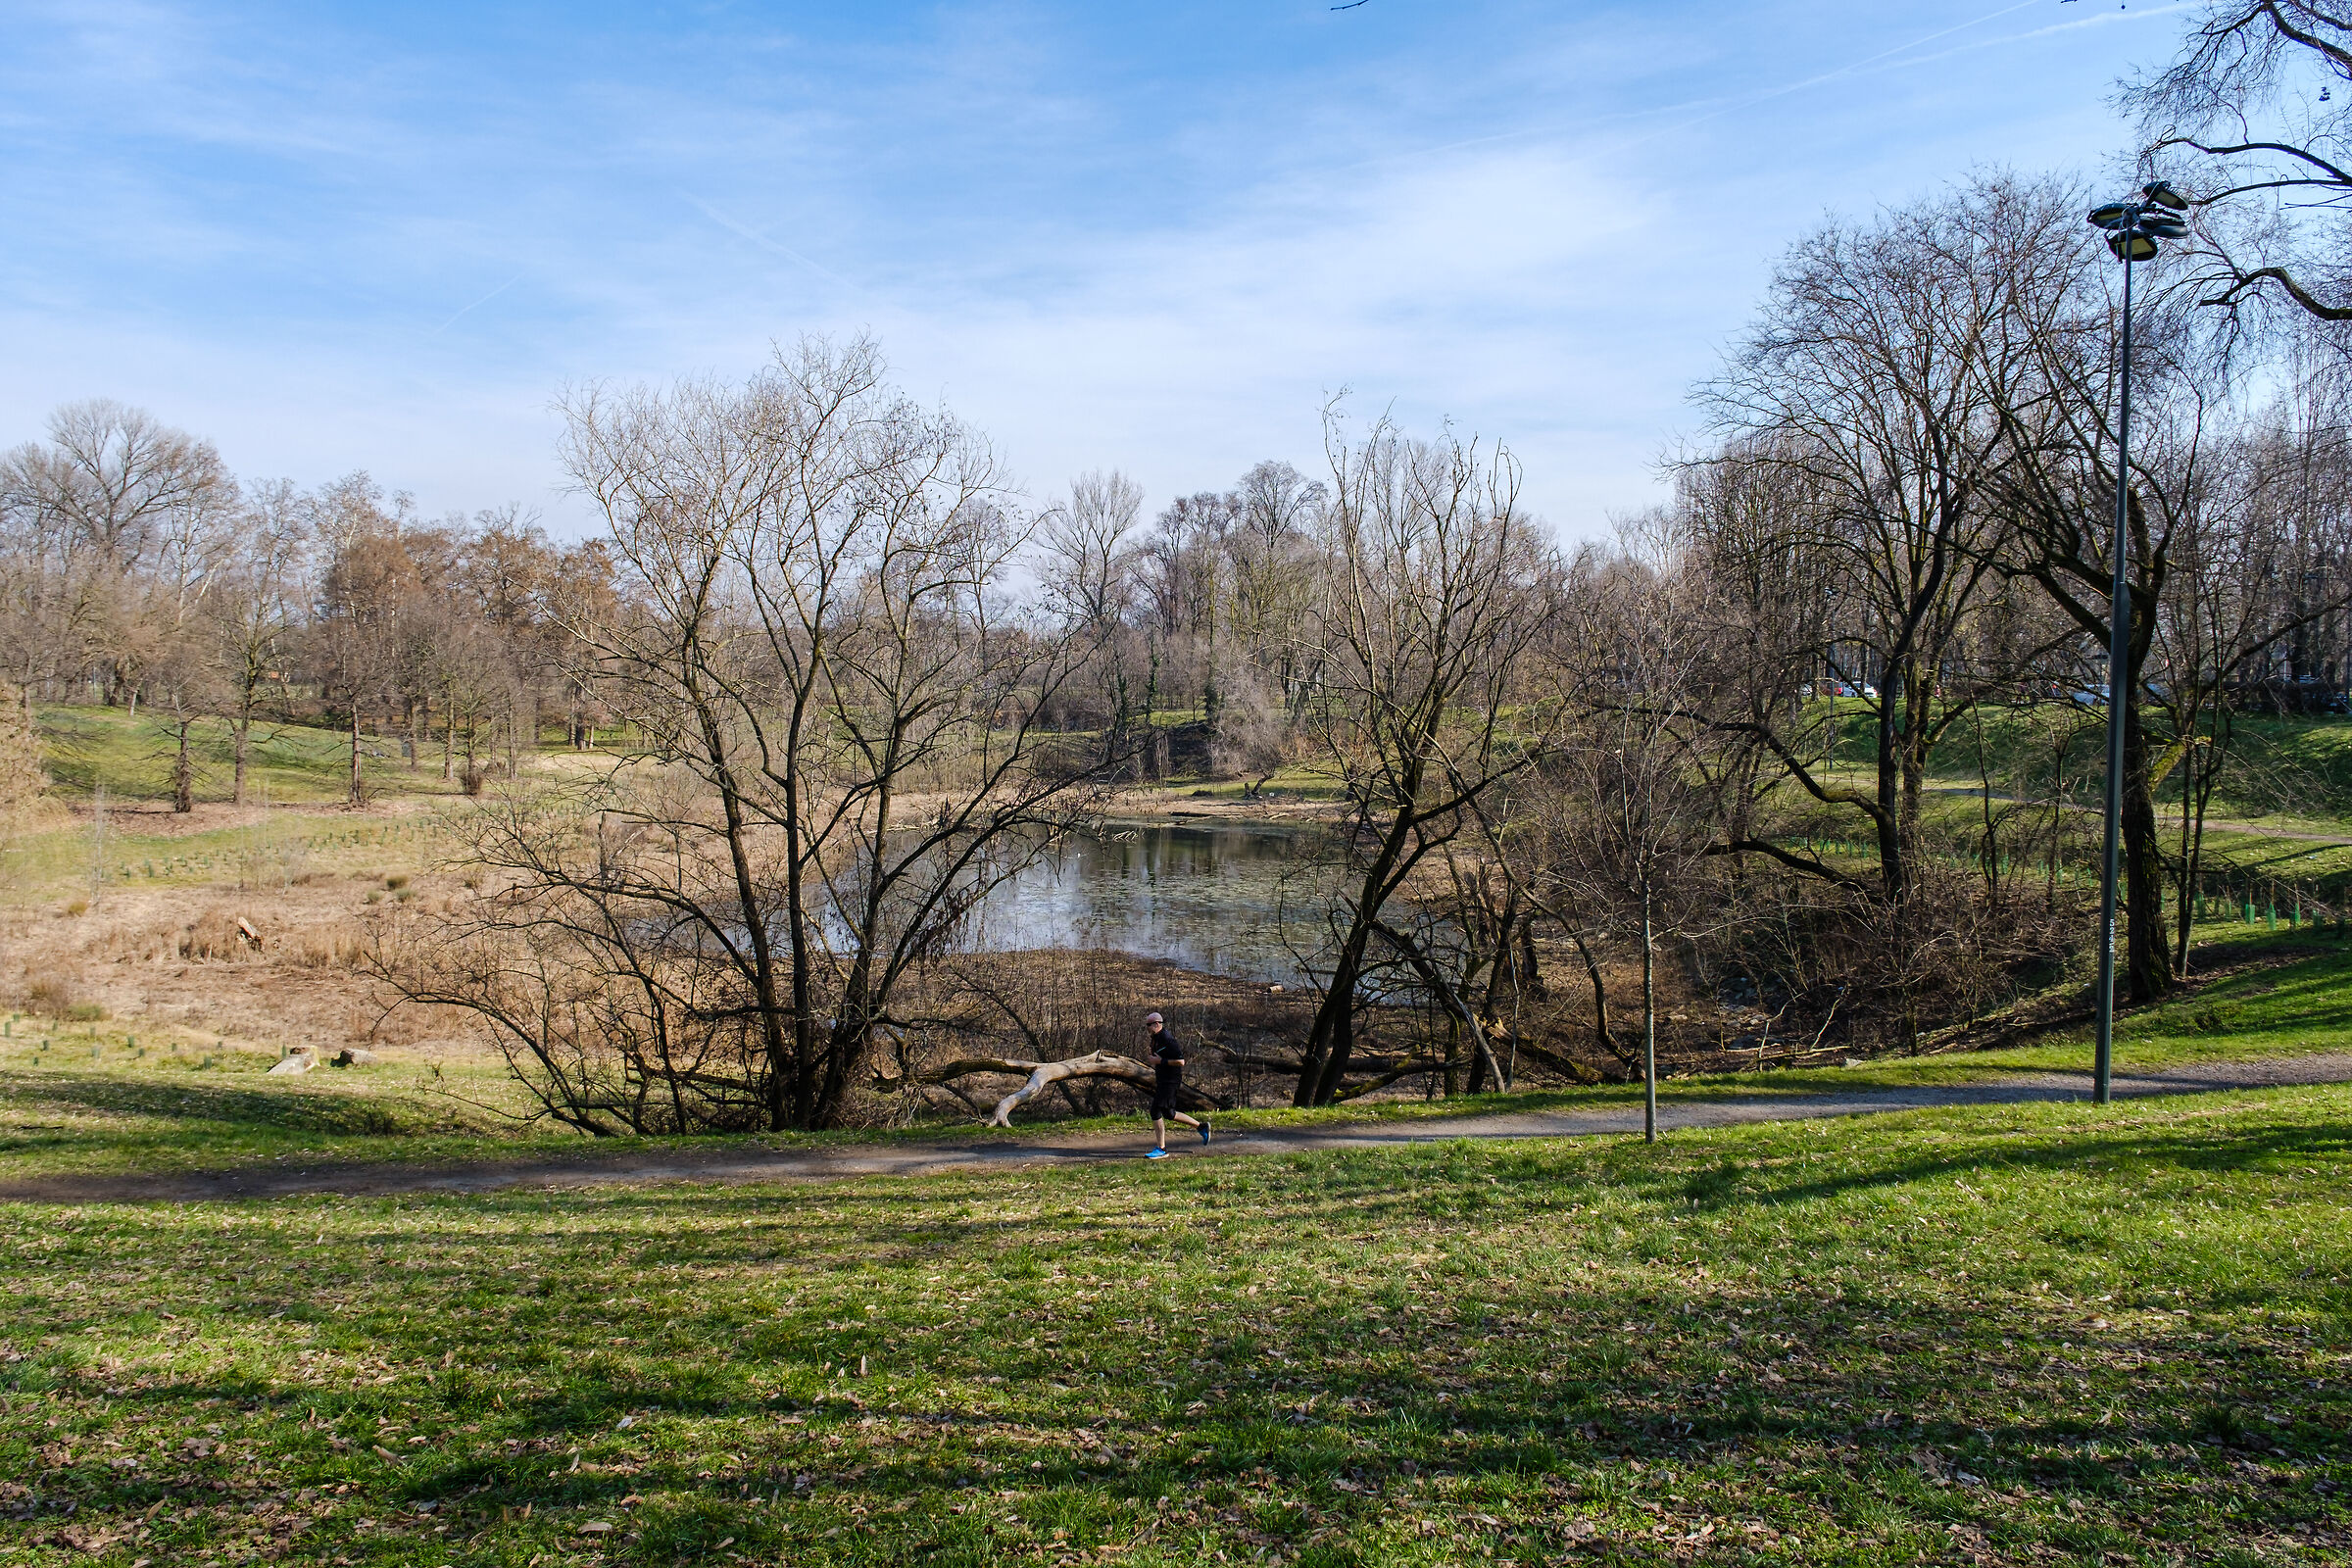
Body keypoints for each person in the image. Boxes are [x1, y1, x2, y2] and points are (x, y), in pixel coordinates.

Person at [1141, 1010, 1209, 1157]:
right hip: (1163, 1080)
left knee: (1155, 1111)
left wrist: (1161, 1061)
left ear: (1157, 1024)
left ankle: (1162, 1149)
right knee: (1169, 1113)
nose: (1146, 1028)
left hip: (1170, 1081)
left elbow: (1181, 1062)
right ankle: (1202, 1127)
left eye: (1148, 1025)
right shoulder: (1156, 1038)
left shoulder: (1167, 1039)